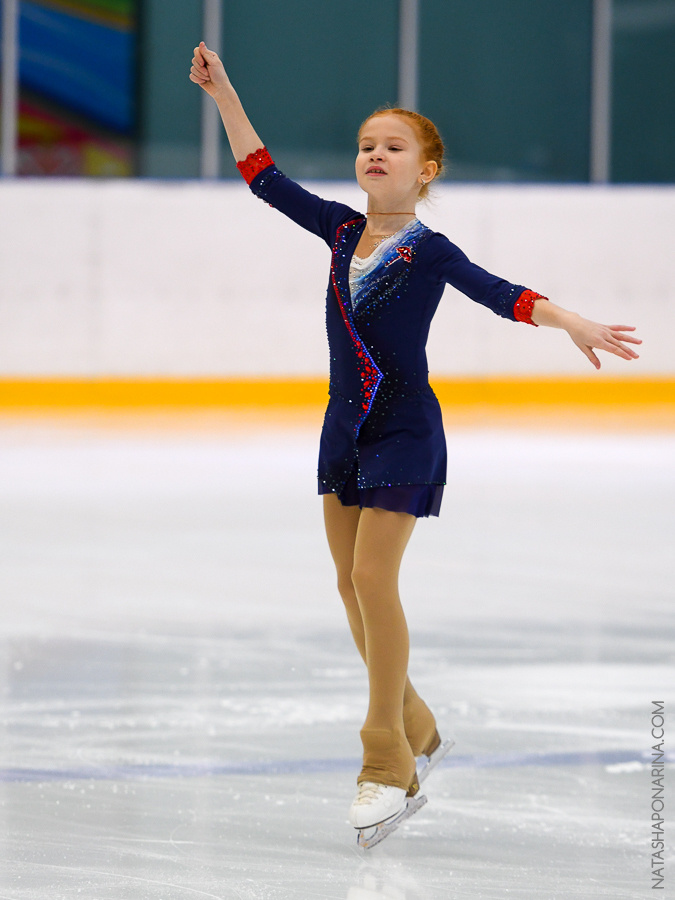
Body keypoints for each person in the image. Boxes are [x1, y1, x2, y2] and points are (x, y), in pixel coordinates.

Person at [189, 41, 641, 846]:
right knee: (346, 585)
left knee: (372, 577)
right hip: (342, 427)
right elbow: (261, 175)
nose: (374, 154)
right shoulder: (336, 230)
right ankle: (420, 722)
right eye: (366, 144)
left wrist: (567, 317)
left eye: (392, 147)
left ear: (424, 170)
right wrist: (223, 91)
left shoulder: (426, 250)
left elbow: (497, 293)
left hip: (404, 429)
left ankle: (385, 758)